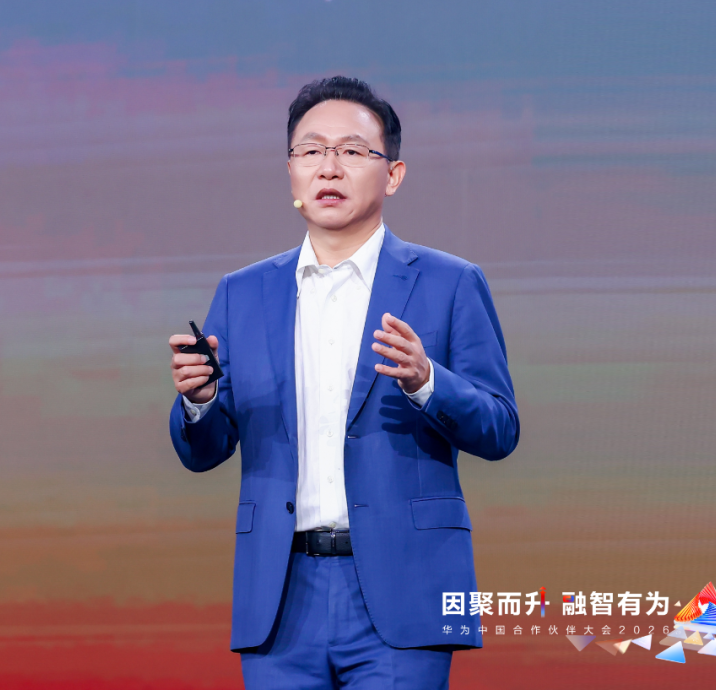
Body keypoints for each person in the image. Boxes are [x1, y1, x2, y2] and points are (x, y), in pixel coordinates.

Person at [168, 76, 519, 689]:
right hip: (280, 596)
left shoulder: (450, 283)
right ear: (291, 171)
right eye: (311, 151)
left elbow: (500, 427)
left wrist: (428, 382)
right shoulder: (243, 293)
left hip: (405, 588)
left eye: (352, 151)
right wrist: (199, 402)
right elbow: (205, 451)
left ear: (394, 174)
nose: (328, 167)